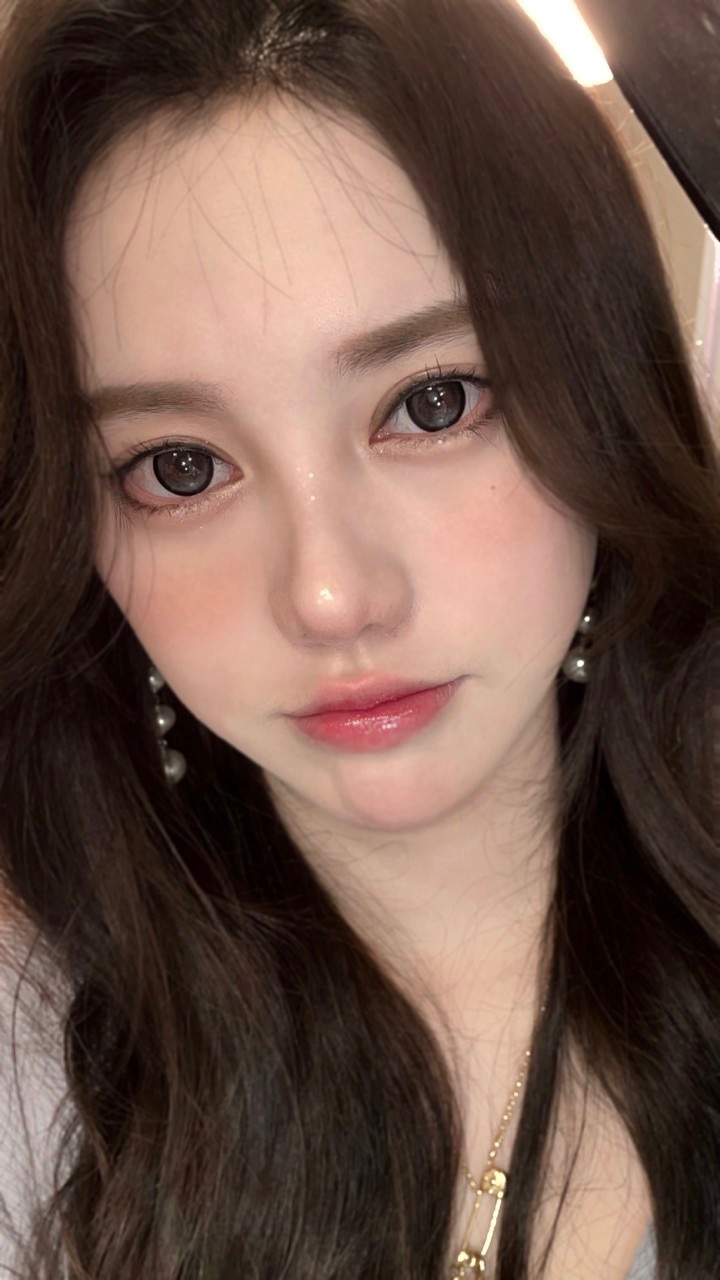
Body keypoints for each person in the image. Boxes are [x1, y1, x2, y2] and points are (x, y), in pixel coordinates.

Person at [0, 0, 717, 1275]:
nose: (329, 596)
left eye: (431, 402)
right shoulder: (42, 1084)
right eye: (178, 466)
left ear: (595, 397)